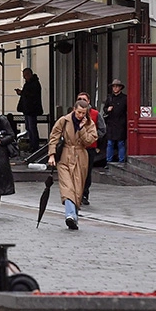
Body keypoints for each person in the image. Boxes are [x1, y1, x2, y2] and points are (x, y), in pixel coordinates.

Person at [48, 98, 98, 230]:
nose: (81, 115)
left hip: (81, 157)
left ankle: (74, 217)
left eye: (83, 113)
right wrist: (52, 155)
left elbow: (89, 141)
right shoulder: (64, 120)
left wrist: (82, 129)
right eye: (79, 112)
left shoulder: (89, 123)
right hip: (64, 156)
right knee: (67, 187)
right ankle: (70, 215)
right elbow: (54, 137)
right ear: (74, 109)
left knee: (77, 189)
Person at [15, 67, 43, 155]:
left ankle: (34, 146)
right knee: (29, 128)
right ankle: (32, 145)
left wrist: (22, 93)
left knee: (32, 128)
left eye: (25, 75)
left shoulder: (34, 84)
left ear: (29, 74)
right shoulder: (30, 83)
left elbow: (31, 95)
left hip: (31, 110)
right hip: (28, 110)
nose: (24, 78)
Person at [104, 79, 128, 163]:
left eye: (117, 86)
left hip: (121, 123)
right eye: (113, 86)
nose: (115, 88)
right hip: (111, 123)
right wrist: (108, 109)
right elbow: (104, 109)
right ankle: (109, 161)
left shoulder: (125, 98)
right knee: (110, 143)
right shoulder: (109, 98)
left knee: (120, 143)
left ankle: (121, 160)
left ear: (120, 88)